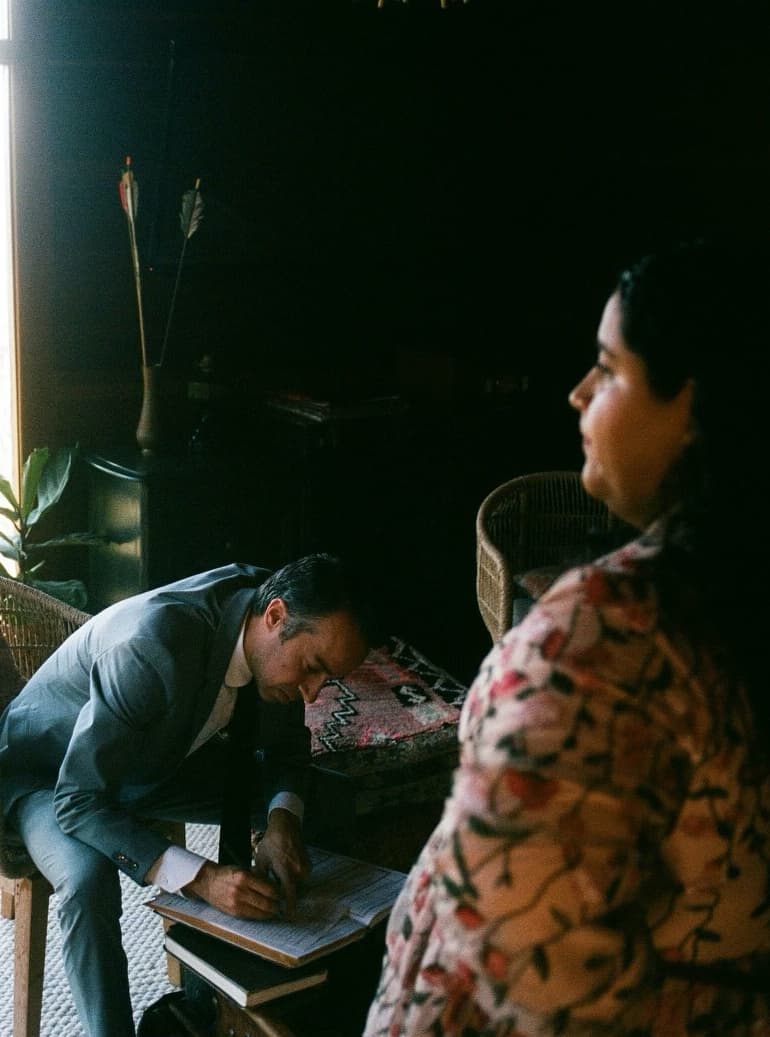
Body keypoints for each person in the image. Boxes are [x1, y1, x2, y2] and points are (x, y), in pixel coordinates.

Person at [363, 237, 770, 1037]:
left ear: (690, 403)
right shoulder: (730, 601)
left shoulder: (606, 637)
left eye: (610, 368)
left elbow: (531, 950)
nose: (579, 393)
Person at [0, 553, 371, 1037]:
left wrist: (282, 825)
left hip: (152, 760)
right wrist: (200, 878)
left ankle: (300, 989)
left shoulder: (267, 614)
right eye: (312, 668)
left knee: (325, 796)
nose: (313, 695)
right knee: (88, 878)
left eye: (328, 679)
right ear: (275, 616)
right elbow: (80, 801)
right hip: (46, 775)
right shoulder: (149, 648)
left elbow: (285, 749)